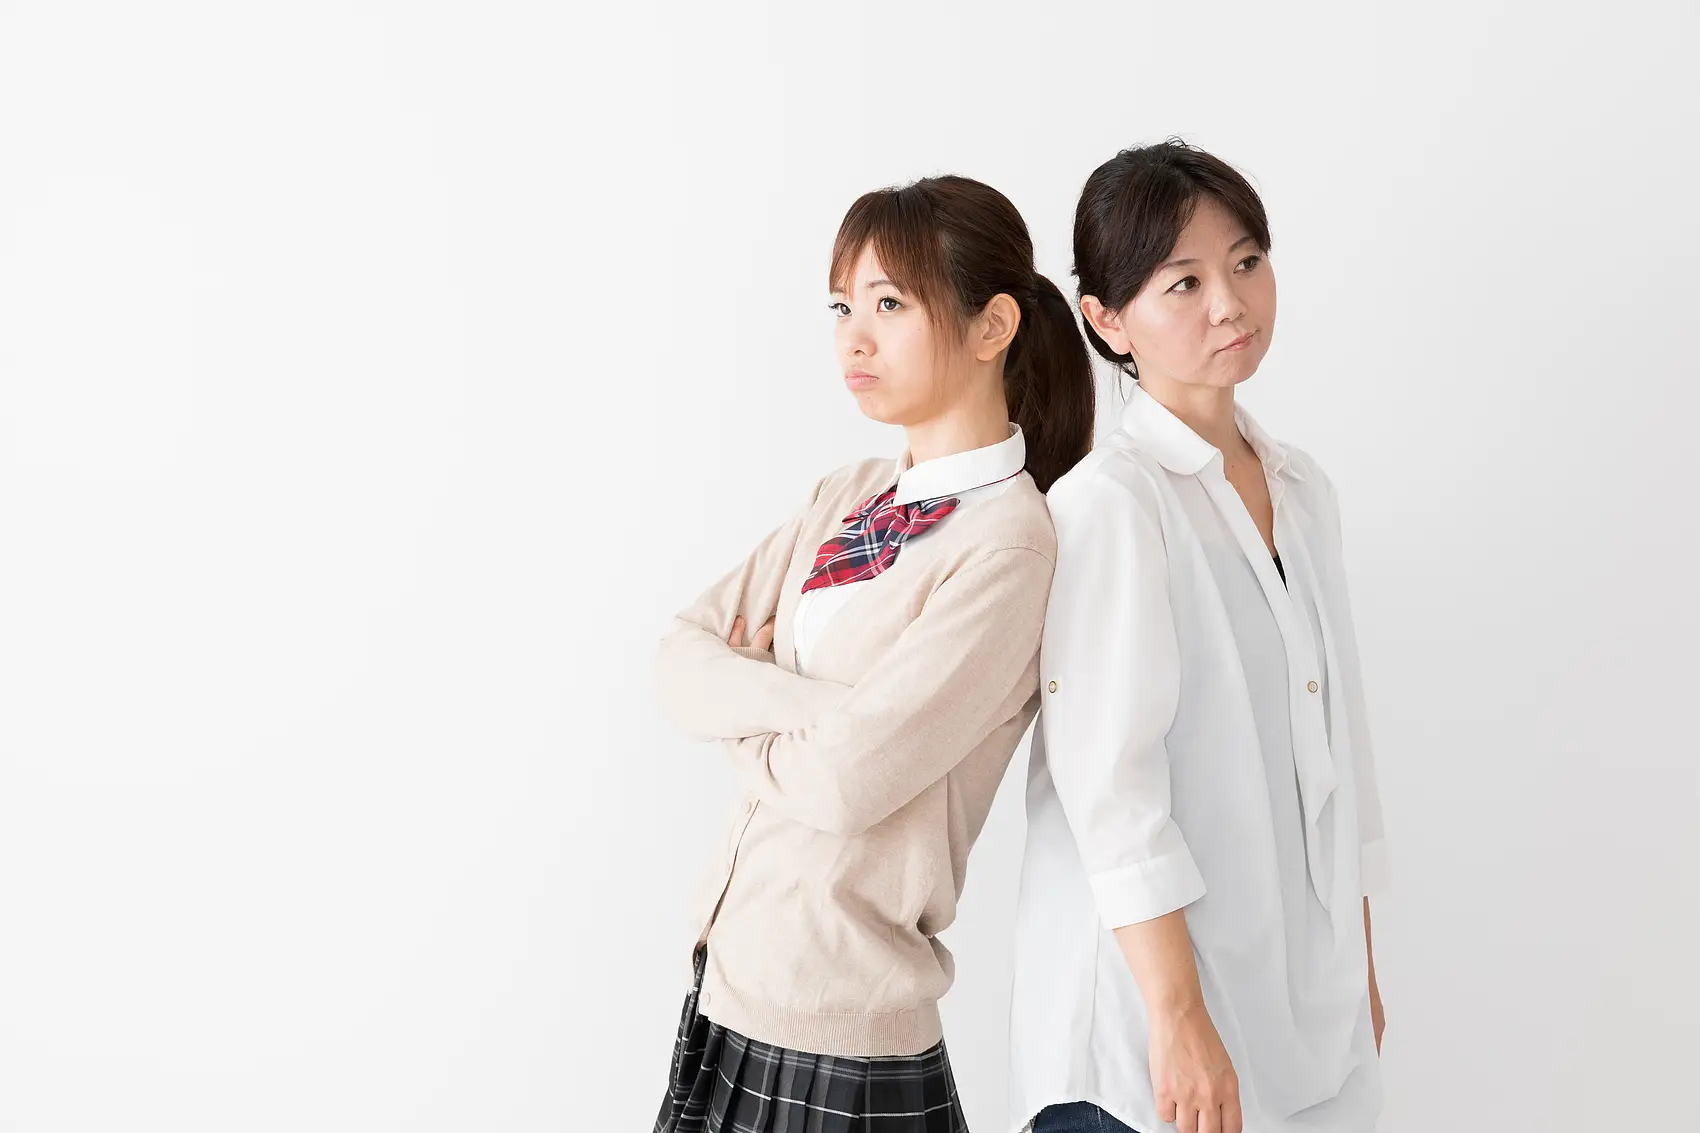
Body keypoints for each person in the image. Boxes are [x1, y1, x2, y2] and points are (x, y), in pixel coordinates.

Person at [652, 173, 1094, 1133]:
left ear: (992, 326)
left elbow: (850, 783)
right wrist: (818, 707)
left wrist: (749, 701)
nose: (854, 338)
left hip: (844, 1028)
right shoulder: (847, 493)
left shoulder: (1007, 544)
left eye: (890, 305)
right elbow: (677, 662)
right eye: (843, 307)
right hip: (726, 989)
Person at [1011, 141, 1390, 1133]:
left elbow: (1336, 754)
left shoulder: (1302, 488)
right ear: (1106, 320)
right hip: (1141, 1040)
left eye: (1246, 262)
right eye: (1183, 282)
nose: (1230, 302)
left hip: (1293, 1015)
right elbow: (1110, 789)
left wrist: (1355, 963)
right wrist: (1176, 1016)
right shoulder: (1112, 502)